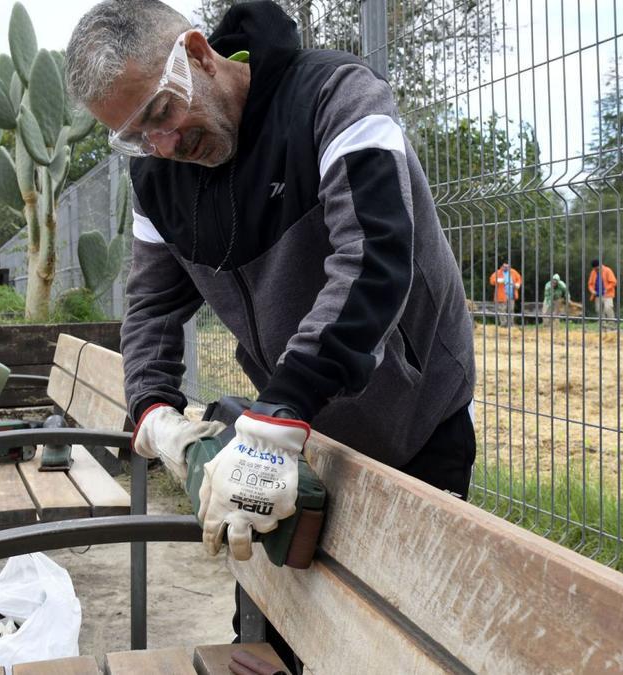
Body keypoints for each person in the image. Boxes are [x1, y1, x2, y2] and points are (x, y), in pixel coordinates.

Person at [66, 1, 476, 664]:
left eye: (162, 113)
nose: (164, 146)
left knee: (400, 652)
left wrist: (275, 417)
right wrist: (153, 410)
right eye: (137, 136)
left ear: (198, 54)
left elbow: (372, 257)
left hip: (411, 426)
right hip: (293, 441)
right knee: (264, 642)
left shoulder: (336, 97)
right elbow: (149, 306)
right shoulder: (158, 178)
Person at [488, 262, 522, 327]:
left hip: (511, 294)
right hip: (501, 295)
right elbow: (491, 280)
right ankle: (503, 324)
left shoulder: (513, 272)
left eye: (507, 266)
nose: (506, 268)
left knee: (511, 309)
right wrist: (497, 280)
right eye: (504, 266)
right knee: (502, 310)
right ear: (502, 266)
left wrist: (518, 284)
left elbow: (519, 279)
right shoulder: (498, 272)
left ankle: (511, 324)